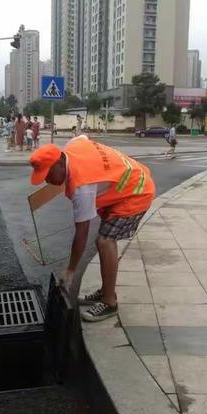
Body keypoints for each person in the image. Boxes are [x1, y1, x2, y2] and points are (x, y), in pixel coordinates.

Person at [29, 137, 155, 322]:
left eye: (48, 174)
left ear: (60, 162)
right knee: (104, 238)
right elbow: (83, 137)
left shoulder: (82, 188)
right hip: (130, 180)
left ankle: (110, 302)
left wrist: (70, 271)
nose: (46, 180)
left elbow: (82, 234)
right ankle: (106, 290)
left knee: (105, 241)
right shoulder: (74, 145)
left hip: (136, 193)